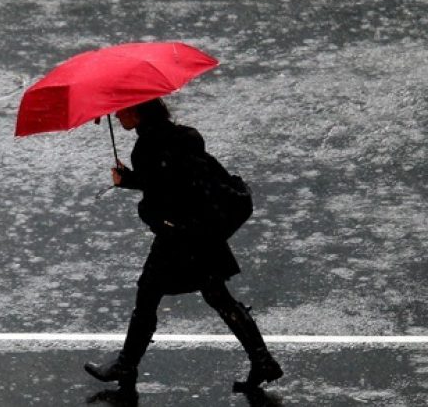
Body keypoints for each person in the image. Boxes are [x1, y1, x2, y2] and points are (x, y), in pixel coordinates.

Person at [84, 98, 283, 395]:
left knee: (149, 294)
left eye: (122, 107)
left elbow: (160, 199)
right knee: (217, 296)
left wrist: (141, 201)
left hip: (180, 238)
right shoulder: (183, 136)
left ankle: (126, 364)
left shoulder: (146, 148)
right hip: (204, 230)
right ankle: (262, 359)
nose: (116, 113)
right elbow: (174, 180)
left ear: (137, 112)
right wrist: (133, 180)